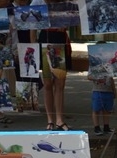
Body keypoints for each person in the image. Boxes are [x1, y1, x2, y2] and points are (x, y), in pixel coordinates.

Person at [34, 0, 72, 130]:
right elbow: (31, 26)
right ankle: (50, 120)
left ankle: (60, 120)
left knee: (60, 83)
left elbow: (71, 19)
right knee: (48, 84)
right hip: (45, 40)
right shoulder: (37, 2)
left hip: (60, 40)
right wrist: (32, 45)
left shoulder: (65, 3)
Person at [89, 70, 115, 136]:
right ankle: (96, 127)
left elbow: (111, 79)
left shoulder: (109, 66)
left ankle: (106, 127)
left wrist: (114, 90)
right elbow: (89, 76)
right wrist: (96, 78)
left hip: (108, 91)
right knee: (96, 110)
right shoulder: (94, 66)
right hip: (97, 91)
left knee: (107, 110)